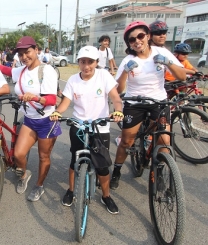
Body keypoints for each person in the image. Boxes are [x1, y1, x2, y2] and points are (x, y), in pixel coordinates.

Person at [109, 21, 186, 190]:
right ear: (129, 43)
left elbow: (182, 77)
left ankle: (158, 173)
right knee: (127, 141)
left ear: (148, 36)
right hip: (135, 102)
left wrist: (168, 63)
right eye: (132, 39)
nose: (137, 41)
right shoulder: (129, 59)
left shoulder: (161, 52)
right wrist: (125, 73)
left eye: (141, 36)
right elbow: (119, 89)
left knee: (164, 140)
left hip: (158, 102)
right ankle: (117, 170)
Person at [50, 46, 124, 214]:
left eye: (90, 62)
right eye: (82, 62)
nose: (86, 66)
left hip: (100, 126)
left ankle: (106, 196)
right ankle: (70, 190)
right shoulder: (73, 80)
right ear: (78, 63)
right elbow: (65, 102)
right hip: (78, 125)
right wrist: (57, 112)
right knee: (74, 160)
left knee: (102, 166)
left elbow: (115, 99)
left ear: (97, 62)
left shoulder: (104, 76)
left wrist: (118, 110)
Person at [0, 36, 60, 202]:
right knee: (18, 154)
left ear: (36, 49)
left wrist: (35, 98)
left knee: (43, 157)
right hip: (30, 120)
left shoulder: (47, 70)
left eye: (28, 52)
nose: (24, 57)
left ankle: (39, 185)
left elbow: (52, 100)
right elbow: (8, 70)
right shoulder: (21, 70)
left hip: (47, 121)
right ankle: (24, 174)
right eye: (21, 54)